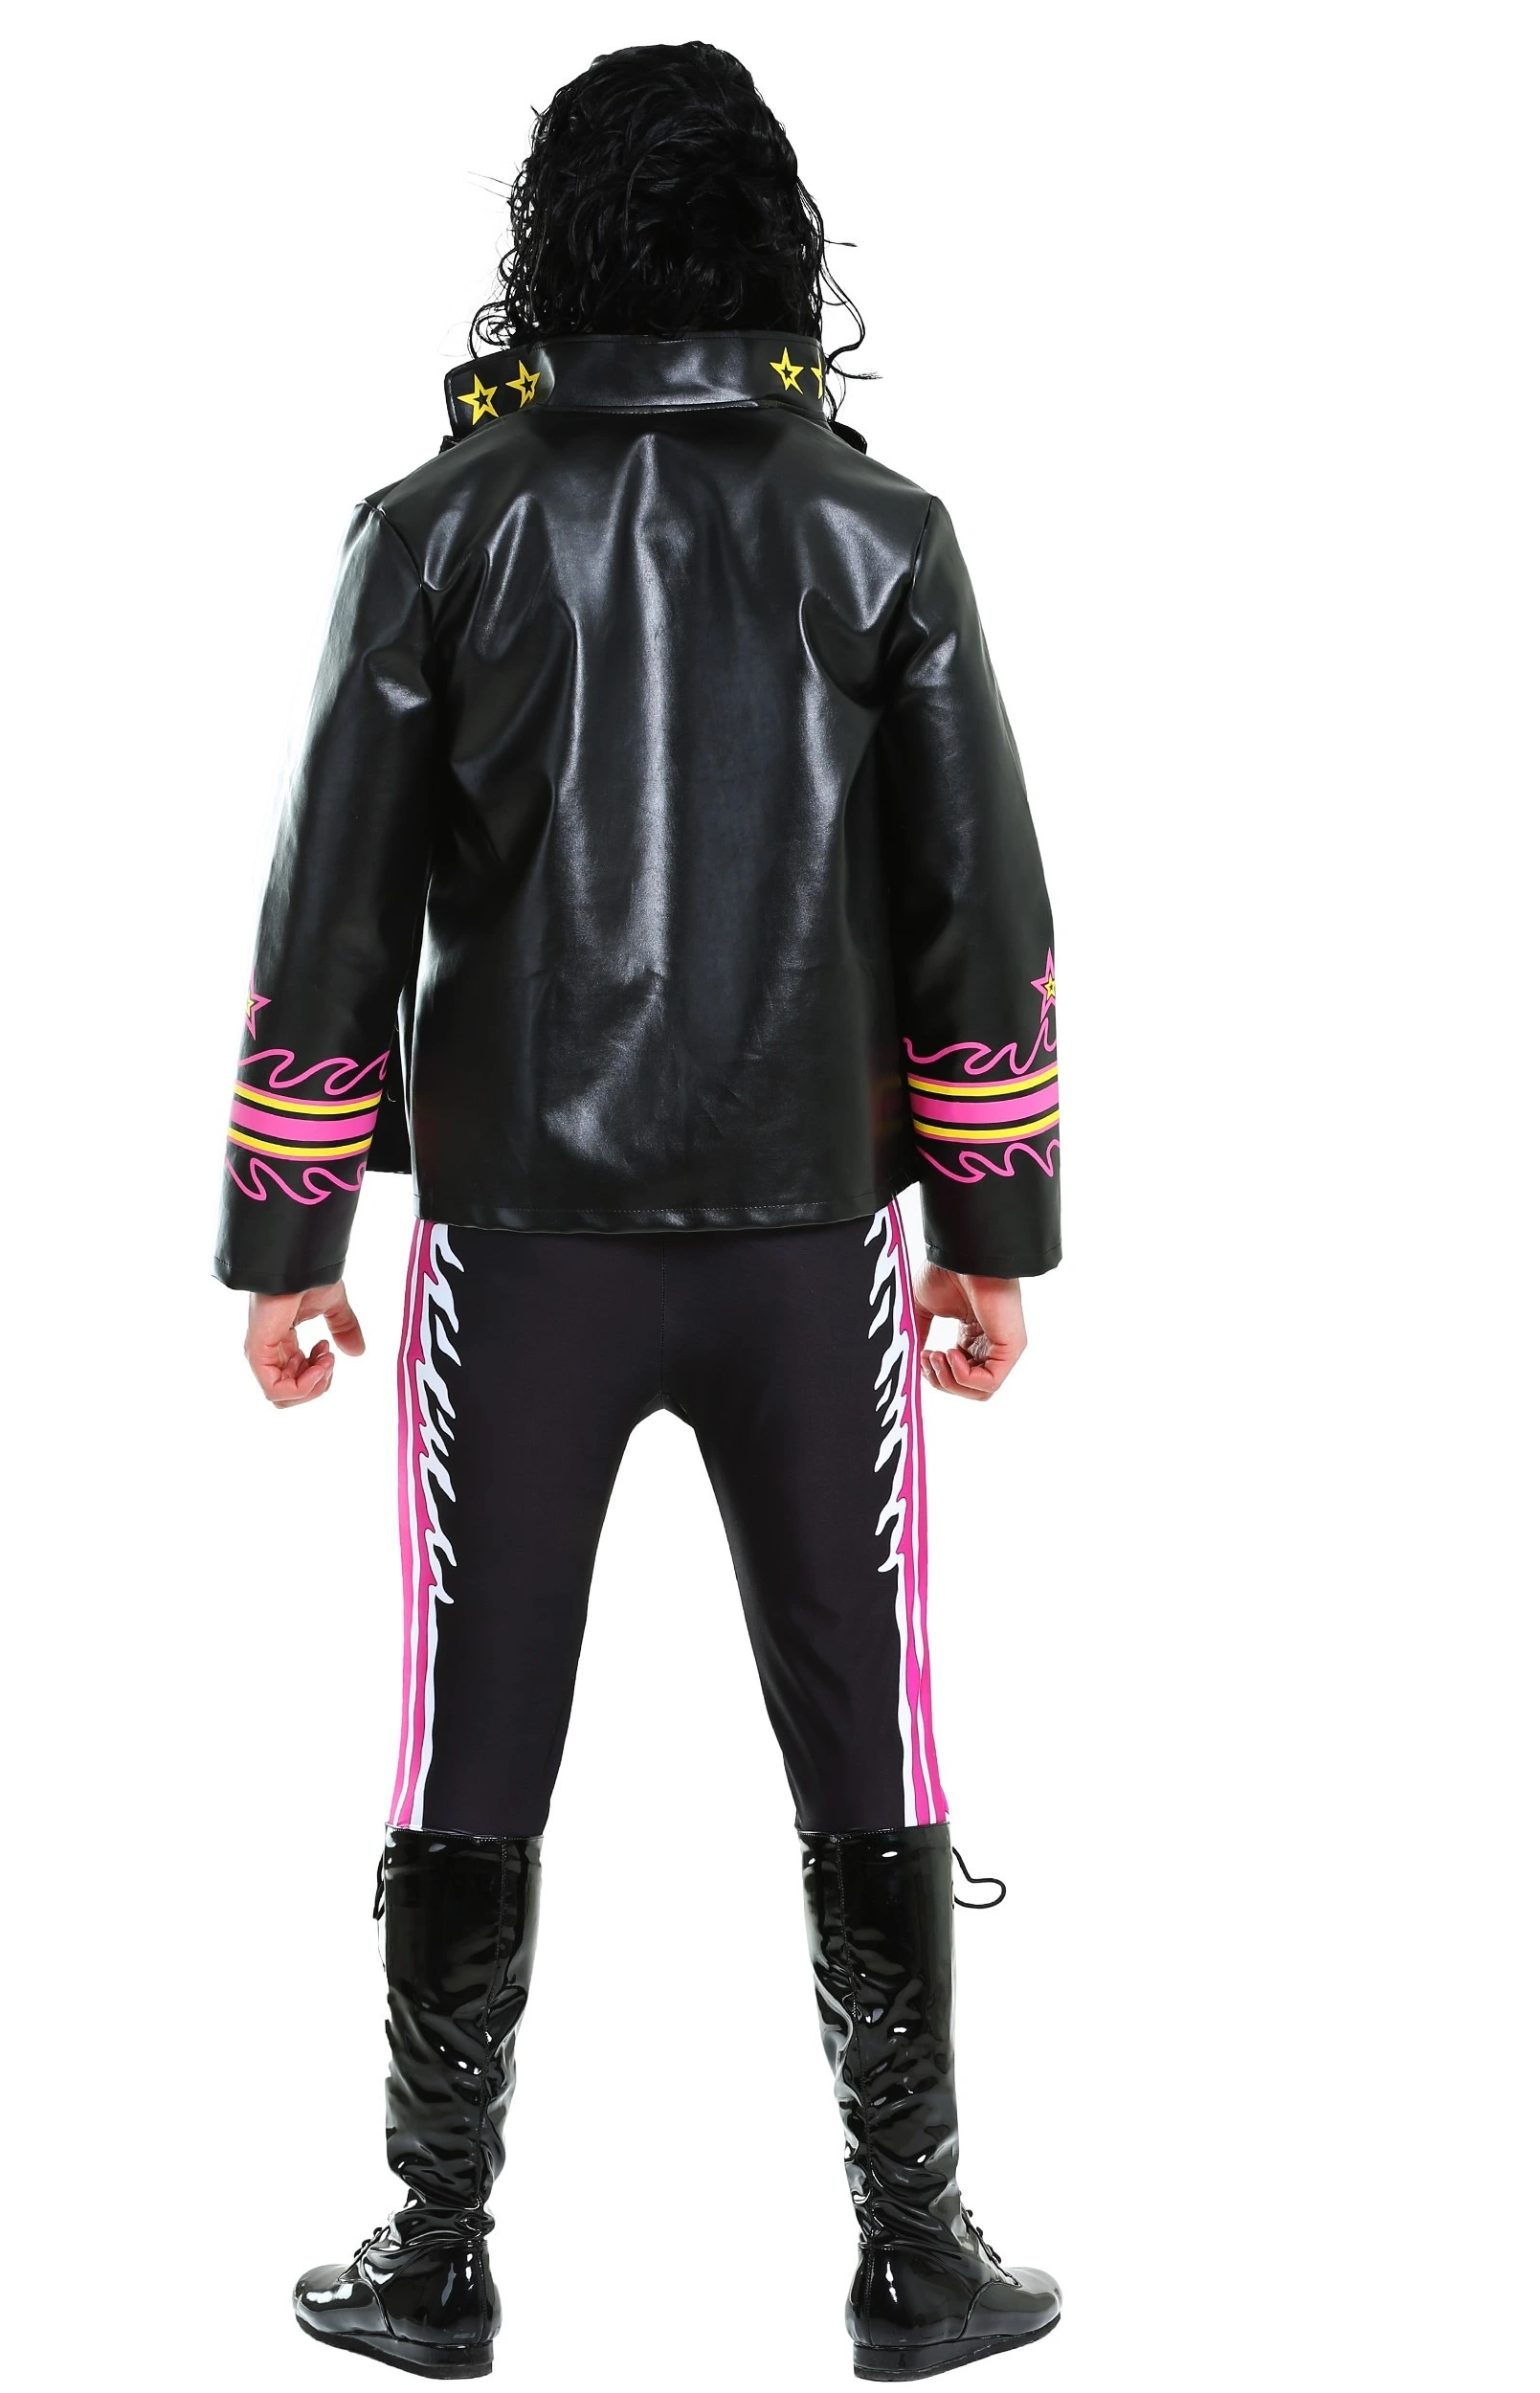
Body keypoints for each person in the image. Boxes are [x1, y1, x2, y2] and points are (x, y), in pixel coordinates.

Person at [215, 39, 1062, 2382]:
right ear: (774, 237)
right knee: (864, 1724)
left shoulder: (435, 523)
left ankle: (435, 2253)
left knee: (469, 1726)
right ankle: (913, 2251)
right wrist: (985, 1229)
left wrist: (292, 1243)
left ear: (554, 238)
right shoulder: (878, 530)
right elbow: (973, 904)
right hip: (811, 1248)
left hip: (522, 1247)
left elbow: (328, 905)